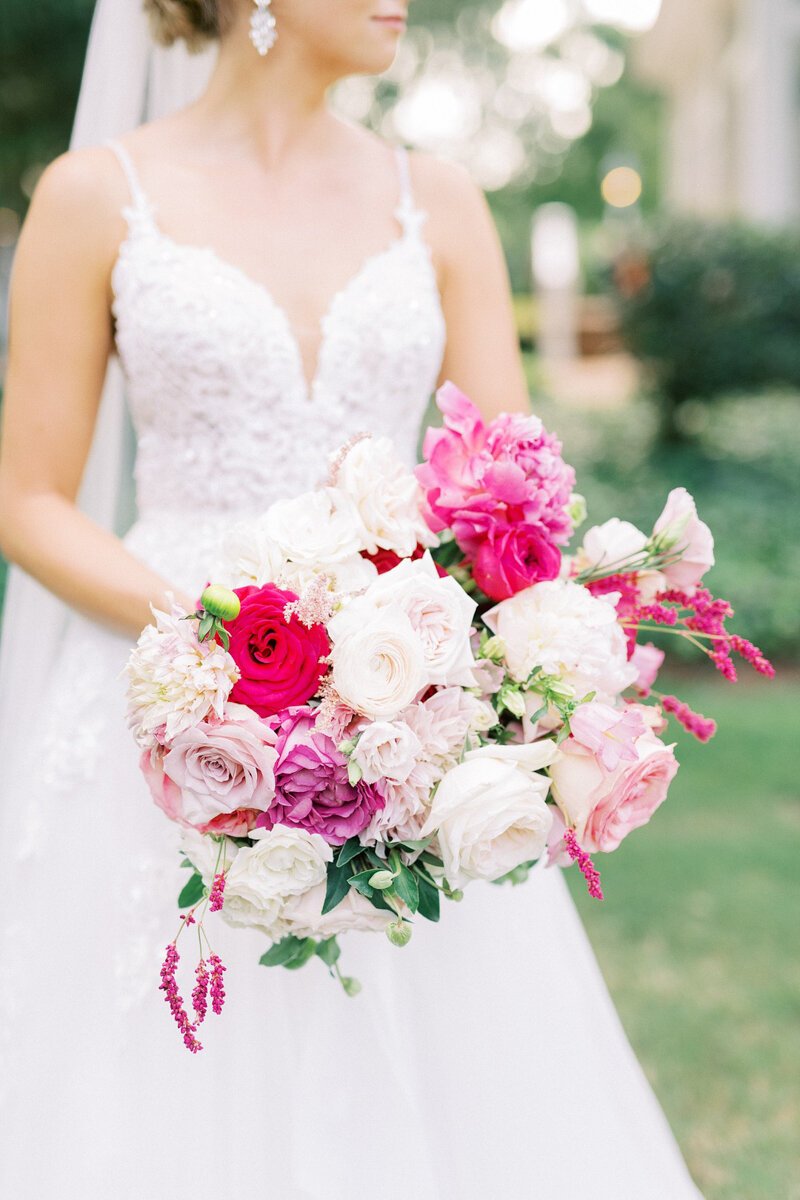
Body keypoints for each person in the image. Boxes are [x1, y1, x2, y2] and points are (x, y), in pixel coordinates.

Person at [0, 1, 704, 1196]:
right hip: (161, 699)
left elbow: (508, 496)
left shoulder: (439, 201)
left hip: (399, 707)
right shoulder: (91, 194)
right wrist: (224, 645)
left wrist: (456, 660)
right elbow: (28, 499)